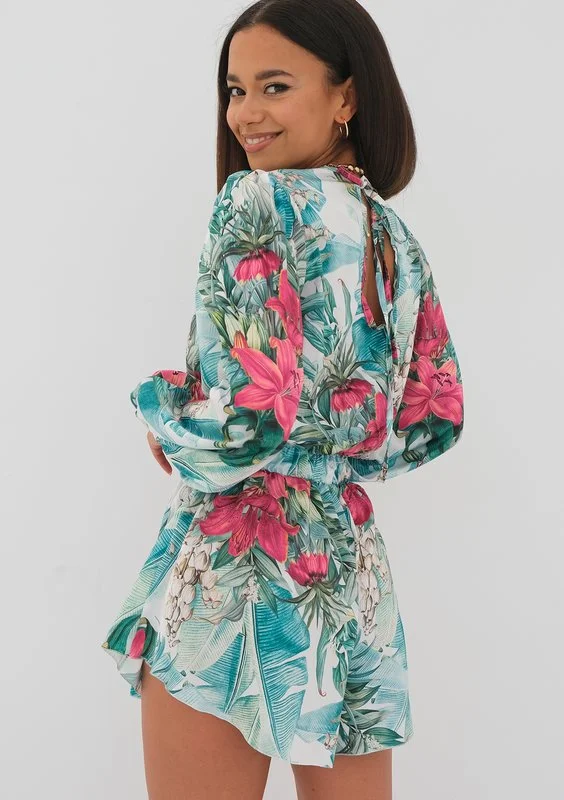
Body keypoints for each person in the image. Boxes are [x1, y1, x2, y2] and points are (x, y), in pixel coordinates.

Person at [101, 1, 465, 797]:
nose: (246, 115)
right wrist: (333, 454)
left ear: (347, 96)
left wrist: (164, 413)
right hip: (350, 567)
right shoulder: (390, 234)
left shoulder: (254, 202)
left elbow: (249, 422)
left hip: (240, 562)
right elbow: (436, 416)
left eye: (274, 86)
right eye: (235, 90)